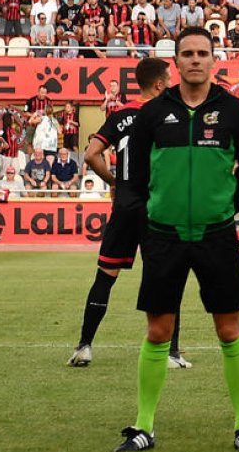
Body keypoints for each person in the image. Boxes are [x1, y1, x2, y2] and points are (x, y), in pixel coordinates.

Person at [115, 27, 239, 452]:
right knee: (159, 331)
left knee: (229, 328)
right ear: (175, 63)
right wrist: (148, 217)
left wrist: (232, 208)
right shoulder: (151, 114)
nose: (195, 60)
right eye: (187, 54)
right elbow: (134, 177)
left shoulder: (235, 111)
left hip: (217, 235)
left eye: (202, 53)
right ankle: (143, 426)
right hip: (164, 236)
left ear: (213, 59)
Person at [69, 58, 191, 368]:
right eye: (170, 80)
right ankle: (171, 353)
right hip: (156, 208)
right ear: (160, 85)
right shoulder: (169, 114)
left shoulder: (120, 113)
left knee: (105, 276)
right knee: (167, 278)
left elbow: (92, 154)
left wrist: (114, 181)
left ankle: (84, 346)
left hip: (124, 205)